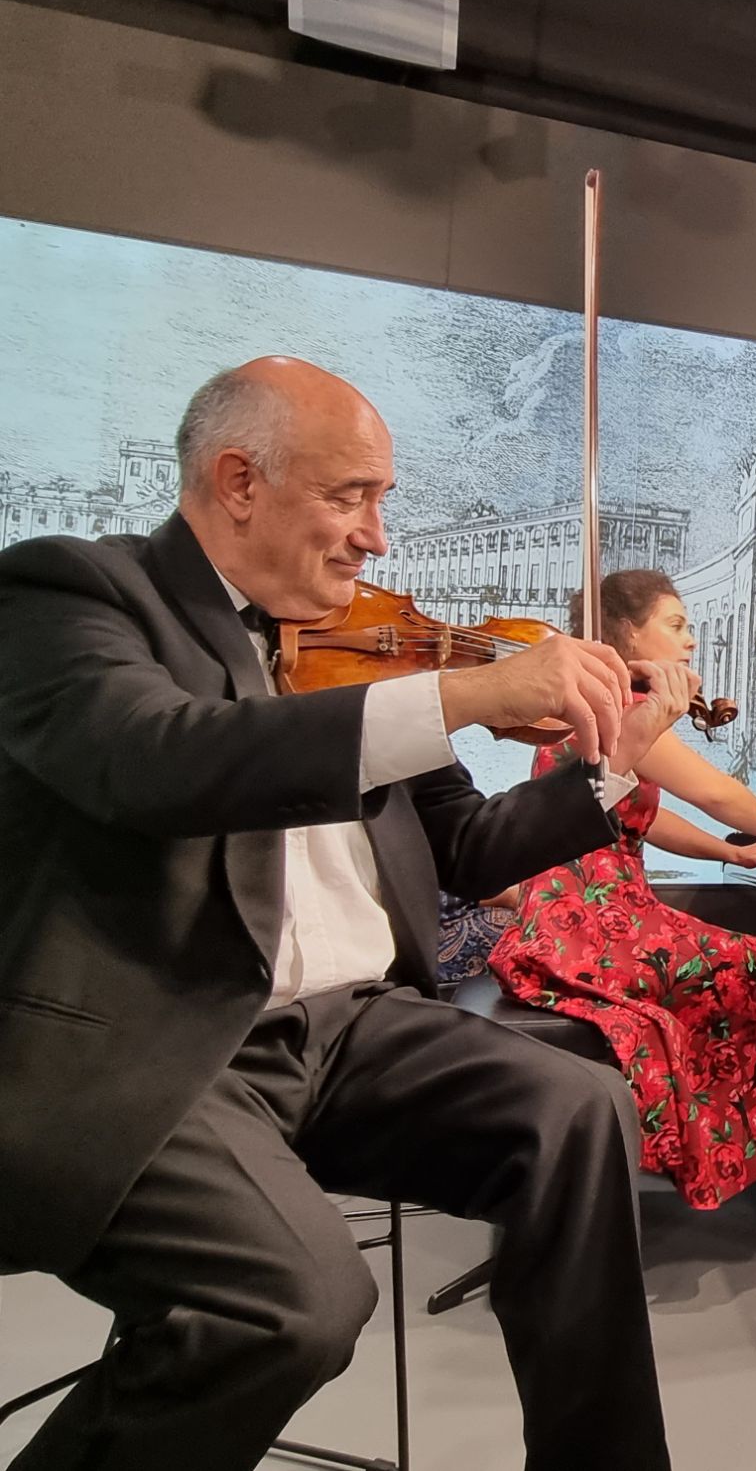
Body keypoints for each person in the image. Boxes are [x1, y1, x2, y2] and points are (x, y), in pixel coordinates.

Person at [0, 357, 690, 1471]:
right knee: (298, 1303)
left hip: (347, 1030)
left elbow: (467, 848)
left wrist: (610, 768)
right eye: (349, 496)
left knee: (578, 1106)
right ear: (239, 482)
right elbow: (149, 758)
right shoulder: (72, 592)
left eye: (383, 500)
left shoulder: (351, 648)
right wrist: (463, 694)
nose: (377, 537)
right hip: (167, 1040)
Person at [485, 570, 756, 1215]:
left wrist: (732, 851)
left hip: (589, 918)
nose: (691, 641)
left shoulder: (593, 705)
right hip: (596, 926)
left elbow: (644, 817)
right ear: (626, 634)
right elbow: (713, 792)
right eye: (676, 625)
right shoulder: (621, 710)